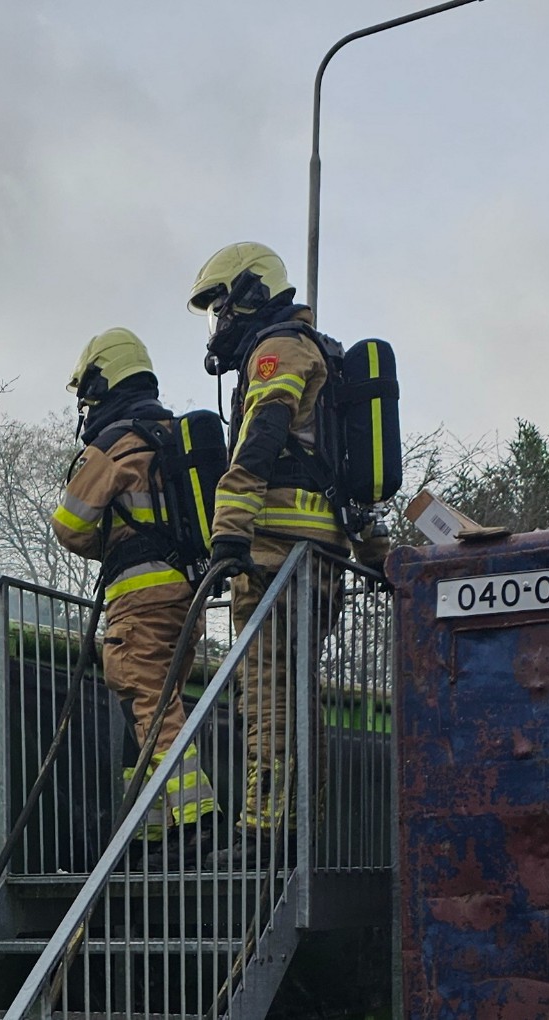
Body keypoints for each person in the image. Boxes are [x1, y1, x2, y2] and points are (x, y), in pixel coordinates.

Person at [187, 242, 388, 866]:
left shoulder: (276, 350)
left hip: (277, 555)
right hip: (317, 556)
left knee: (267, 691)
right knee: (297, 695)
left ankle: (263, 832)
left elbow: (260, 439)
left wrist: (229, 529)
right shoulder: (313, 349)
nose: (220, 320)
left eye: (223, 305)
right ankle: (298, 830)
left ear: (252, 292)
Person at [51, 327, 217, 862]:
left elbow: (69, 525)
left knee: (148, 704)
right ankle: (151, 831)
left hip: (139, 601)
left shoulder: (114, 444)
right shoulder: (170, 435)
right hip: (187, 597)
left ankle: (196, 819)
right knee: (153, 709)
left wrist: (112, 544)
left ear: (102, 381)